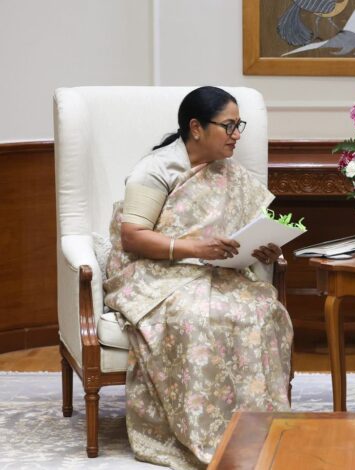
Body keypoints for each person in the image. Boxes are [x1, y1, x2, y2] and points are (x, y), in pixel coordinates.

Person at [102, 86, 293, 470]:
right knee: (196, 315)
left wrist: (263, 250)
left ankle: (258, 432)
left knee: (261, 311)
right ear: (196, 127)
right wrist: (195, 248)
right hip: (157, 273)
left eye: (239, 125)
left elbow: (240, 236)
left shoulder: (232, 174)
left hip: (218, 273)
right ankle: (204, 436)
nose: (237, 135)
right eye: (229, 126)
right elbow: (133, 237)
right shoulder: (156, 170)